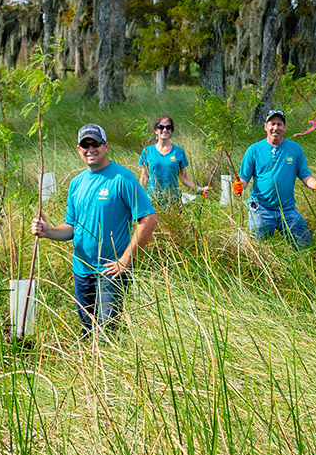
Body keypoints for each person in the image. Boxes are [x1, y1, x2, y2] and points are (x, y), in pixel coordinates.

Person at [31, 124, 158, 339]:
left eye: (95, 143)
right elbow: (71, 228)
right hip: (82, 271)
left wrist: (126, 259)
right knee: (87, 332)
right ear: (79, 150)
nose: (90, 149)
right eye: (85, 144)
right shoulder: (76, 183)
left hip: (111, 272)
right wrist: (47, 231)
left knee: (106, 334)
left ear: (106, 146)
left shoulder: (122, 178)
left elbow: (149, 219)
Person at [235, 109, 316, 247]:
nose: (275, 128)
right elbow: (243, 178)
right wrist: (239, 186)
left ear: (284, 127)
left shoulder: (295, 149)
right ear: (266, 126)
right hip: (261, 209)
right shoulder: (254, 150)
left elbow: (305, 176)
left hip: (287, 209)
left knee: (305, 242)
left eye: (279, 124)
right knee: (257, 248)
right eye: (272, 124)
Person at [138, 115, 210, 208]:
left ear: (171, 131)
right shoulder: (147, 151)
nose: (165, 130)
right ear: (156, 130)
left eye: (168, 127)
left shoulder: (179, 152)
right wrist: (138, 197)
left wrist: (199, 189)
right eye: (161, 127)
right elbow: (144, 176)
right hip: (153, 201)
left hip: (173, 200)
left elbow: (184, 177)